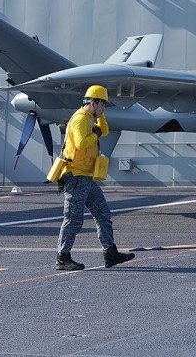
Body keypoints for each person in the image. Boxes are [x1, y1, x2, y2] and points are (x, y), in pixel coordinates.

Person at [54, 85, 134, 271]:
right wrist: (96, 131)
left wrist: (100, 116)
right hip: (75, 176)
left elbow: (104, 131)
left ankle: (110, 253)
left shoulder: (91, 118)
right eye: (102, 104)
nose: (104, 108)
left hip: (87, 177)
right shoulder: (80, 119)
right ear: (93, 102)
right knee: (73, 218)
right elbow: (81, 143)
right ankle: (62, 257)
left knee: (103, 215)